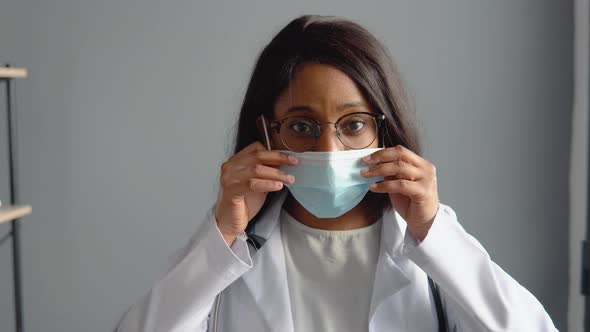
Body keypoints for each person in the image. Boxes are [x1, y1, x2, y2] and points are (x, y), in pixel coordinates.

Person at [115, 15, 557, 331]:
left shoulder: (430, 245)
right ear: (268, 133)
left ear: (384, 131)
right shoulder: (229, 250)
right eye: (303, 127)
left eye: (353, 125)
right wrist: (221, 236)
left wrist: (431, 229)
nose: (328, 150)